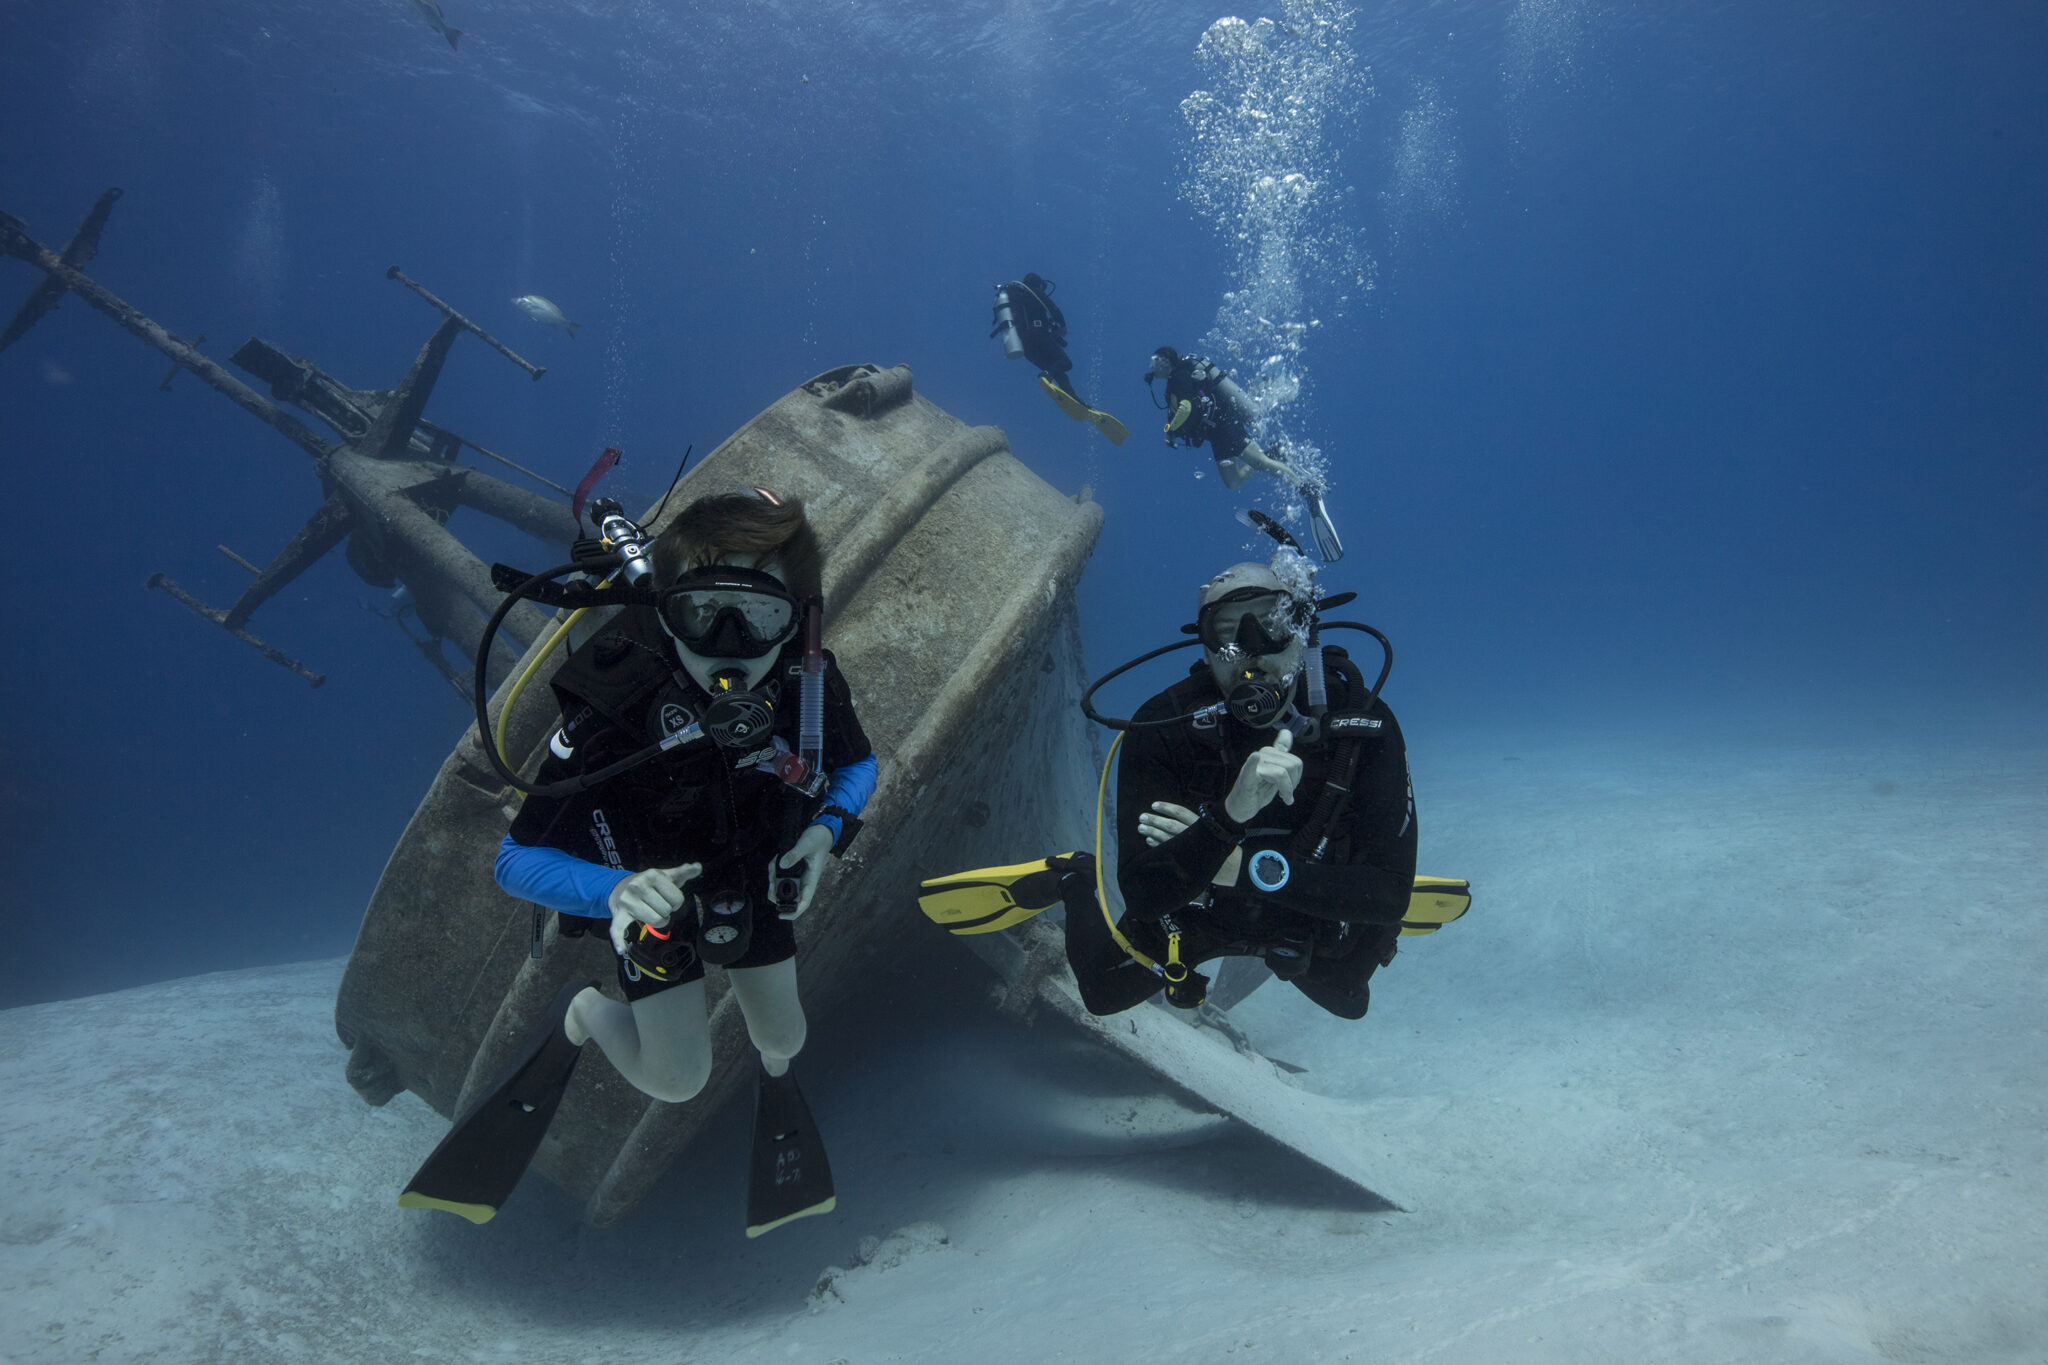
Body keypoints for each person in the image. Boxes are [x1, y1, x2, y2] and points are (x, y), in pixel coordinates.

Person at [400, 489, 876, 1231]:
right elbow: (514, 855)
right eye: (701, 611)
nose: (729, 643)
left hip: (754, 869)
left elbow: (856, 766)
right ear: (663, 606)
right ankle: (585, 1013)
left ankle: (774, 1070)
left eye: (759, 615)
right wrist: (615, 890)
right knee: (679, 1080)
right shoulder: (615, 696)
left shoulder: (806, 680)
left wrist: (823, 836)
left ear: (800, 618)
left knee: (784, 1037)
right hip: (650, 897)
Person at [1064, 558, 1416, 1018]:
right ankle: (1070, 880)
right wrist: (1230, 814)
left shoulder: (1363, 727)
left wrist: (1240, 867)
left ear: (1303, 634)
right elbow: (1145, 894)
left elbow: (1391, 897)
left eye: (1272, 626)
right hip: (1199, 910)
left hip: (1296, 907)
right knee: (1102, 994)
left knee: (1350, 999)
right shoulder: (1163, 726)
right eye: (1226, 632)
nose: (1251, 652)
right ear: (1206, 647)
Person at [1145, 346, 1344, 560]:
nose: (1151, 365)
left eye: (1154, 360)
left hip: (1223, 424)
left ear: (1166, 360)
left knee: (1259, 462)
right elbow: (1180, 410)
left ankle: (1307, 489)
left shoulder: (1179, 377)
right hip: (1215, 434)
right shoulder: (1174, 383)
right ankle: (1274, 454)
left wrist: (1169, 432)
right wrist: (1172, 432)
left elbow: (1186, 407)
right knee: (1233, 481)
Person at [991, 272, 1127, 445]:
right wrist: (1062, 327)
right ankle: (1046, 376)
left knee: (1060, 371)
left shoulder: (1016, 300)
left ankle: (1076, 401)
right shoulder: (1035, 292)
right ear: (1038, 285)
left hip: (1023, 345)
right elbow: (1054, 310)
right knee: (1065, 363)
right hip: (1037, 335)